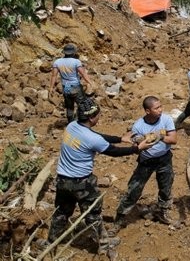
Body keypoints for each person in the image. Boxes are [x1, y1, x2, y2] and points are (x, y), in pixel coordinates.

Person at [48, 98, 152, 253]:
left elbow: (95, 135)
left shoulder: (72, 126)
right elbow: (114, 152)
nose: (99, 117)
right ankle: (104, 245)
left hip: (62, 180)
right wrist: (137, 148)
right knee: (92, 214)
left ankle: (51, 242)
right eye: (98, 115)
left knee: (62, 212)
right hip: (82, 183)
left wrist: (120, 138)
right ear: (91, 117)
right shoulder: (92, 139)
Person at [114, 96, 177, 229]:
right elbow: (136, 147)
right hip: (146, 160)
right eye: (156, 108)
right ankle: (120, 218)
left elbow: (173, 139)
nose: (160, 110)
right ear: (148, 111)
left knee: (166, 187)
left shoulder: (166, 119)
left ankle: (163, 211)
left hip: (164, 158)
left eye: (160, 106)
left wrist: (160, 137)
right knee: (134, 189)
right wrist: (140, 140)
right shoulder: (139, 125)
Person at [50, 43, 93, 123]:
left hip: (65, 88)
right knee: (81, 104)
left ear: (64, 52)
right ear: (73, 53)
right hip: (75, 86)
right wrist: (89, 82)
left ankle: (70, 123)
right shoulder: (76, 62)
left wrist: (51, 87)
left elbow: (54, 76)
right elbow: (83, 73)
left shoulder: (57, 62)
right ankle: (81, 122)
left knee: (69, 107)